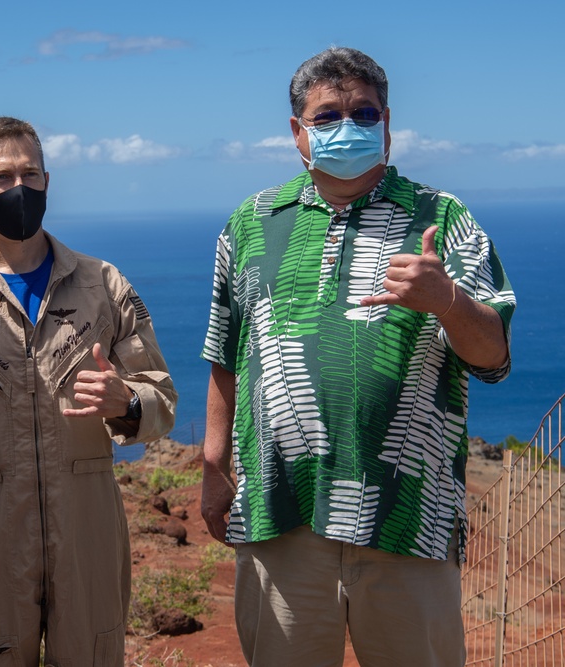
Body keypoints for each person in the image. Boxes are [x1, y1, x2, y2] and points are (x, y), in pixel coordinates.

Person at [200, 47, 515, 667]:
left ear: (388, 123)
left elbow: (494, 357)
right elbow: (226, 354)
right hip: (279, 513)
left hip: (409, 518)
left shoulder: (442, 218)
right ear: (298, 133)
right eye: (328, 116)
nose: (349, 126)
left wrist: (446, 298)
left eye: (363, 112)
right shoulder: (251, 223)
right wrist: (214, 467)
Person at [0, 116, 177, 666]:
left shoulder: (105, 287)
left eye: (30, 173)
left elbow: (161, 400)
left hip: (88, 526)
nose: (19, 188)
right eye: (2, 177)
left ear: (48, 180)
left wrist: (127, 404)